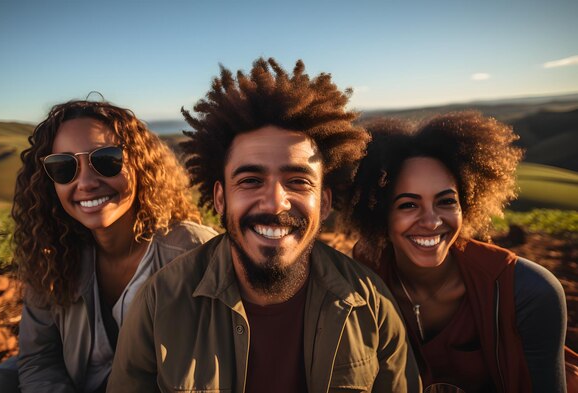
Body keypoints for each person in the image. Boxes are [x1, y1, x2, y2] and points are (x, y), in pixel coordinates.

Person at [107, 58, 421, 392]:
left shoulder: (371, 306)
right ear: (220, 198)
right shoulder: (160, 304)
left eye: (298, 181)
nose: (274, 203)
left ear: (325, 202)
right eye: (251, 180)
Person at [343, 112, 567, 392]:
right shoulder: (361, 283)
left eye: (446, 201)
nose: (431, 221)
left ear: (467, 204)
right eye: (408, 205)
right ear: (379, 213)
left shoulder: (527, 291)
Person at [9, 99, 217, 392]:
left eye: (106, 160)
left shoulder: (193, 252)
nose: (86, 182)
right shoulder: (52, 256)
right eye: (63, 167)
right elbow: (39, 359)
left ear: (140, 165)